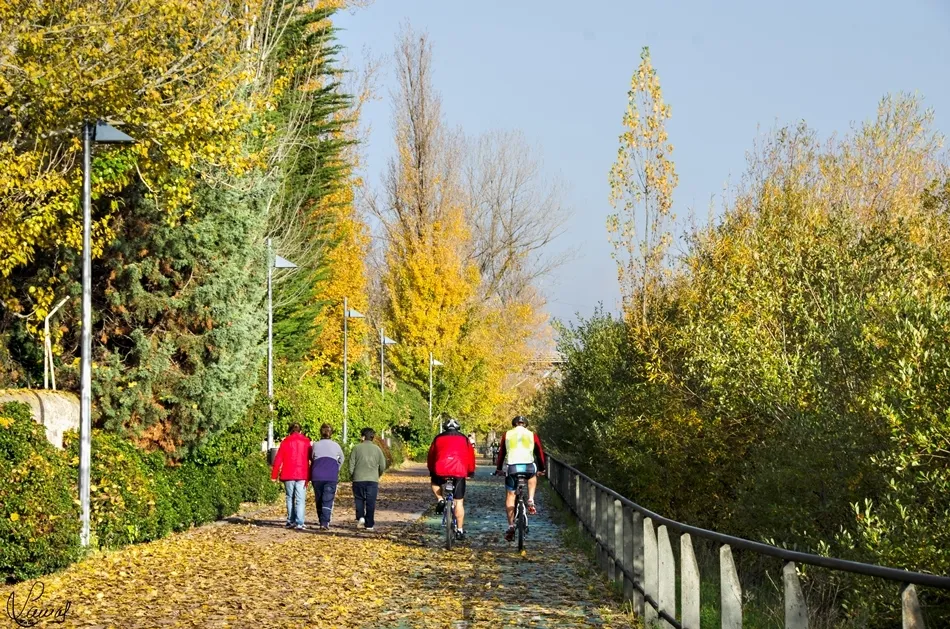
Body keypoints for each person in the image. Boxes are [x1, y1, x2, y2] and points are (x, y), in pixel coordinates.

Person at [494, 415, 546, 542]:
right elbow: (539, 452)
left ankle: (511, 525)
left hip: (512, 467)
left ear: (514, 424)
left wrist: (499, 468)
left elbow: (502, 453)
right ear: (525, 424)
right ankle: (530, 499)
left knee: (510, 495)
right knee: (533, 475)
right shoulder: (531, 434)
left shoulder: (507, 434)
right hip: (528, 466)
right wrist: (542, 468)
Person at [427, 417, 477, 541]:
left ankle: (440, 499)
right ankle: (459, 530)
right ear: (458, 428)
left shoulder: (437, 438)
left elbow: (431, 456)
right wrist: (470, 471)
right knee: (459, 502)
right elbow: (471, 457)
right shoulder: (464, 439)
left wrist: (431, 469)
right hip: (459, 471)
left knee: (434, 481)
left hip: (441, 468)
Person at [270, 423, 312, 530]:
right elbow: (311, 458)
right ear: (301, 431)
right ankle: (300, 522)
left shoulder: (285, 442)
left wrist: (274, 475)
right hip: (302, 473)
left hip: (288, 473)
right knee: (300, 498)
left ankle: (290, 520)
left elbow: (278, 459)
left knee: (290, 497)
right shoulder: (306, 442)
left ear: (290, 431)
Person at [349, 427, 387, 532]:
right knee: (371, 501)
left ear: (362, 436)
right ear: (372, 437)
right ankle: (369, 524)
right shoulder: (377, 449)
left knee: (359, 499)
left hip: (358, 478)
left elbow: (351, 464)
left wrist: (352, 475)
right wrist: (378, 474)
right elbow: (383, 465)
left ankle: (361, 517)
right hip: (372, 479)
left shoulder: (356, 448)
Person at [310, 423, 344, 530]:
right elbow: (341, 459)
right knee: (328, 499)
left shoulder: (315, 445)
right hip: (331, 476)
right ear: (331, 433)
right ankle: (325, 522)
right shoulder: (336, 445)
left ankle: (321, 519)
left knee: (319, 498)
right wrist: (336, 468)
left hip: (317, 475)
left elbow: (312, 457)